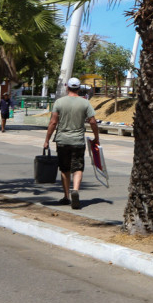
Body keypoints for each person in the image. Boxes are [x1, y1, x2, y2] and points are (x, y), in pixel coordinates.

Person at [44, 78, 100, 209]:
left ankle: (66, 196)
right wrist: (96, 138)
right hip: (78, 141)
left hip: (62, 140)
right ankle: (75, 190)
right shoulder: (85, 103)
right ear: (79, 88)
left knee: (65, 169)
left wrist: (46, 140)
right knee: (78, 168)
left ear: (67, 88)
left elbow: (53, 122)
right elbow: (92, 121)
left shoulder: (59, 102)